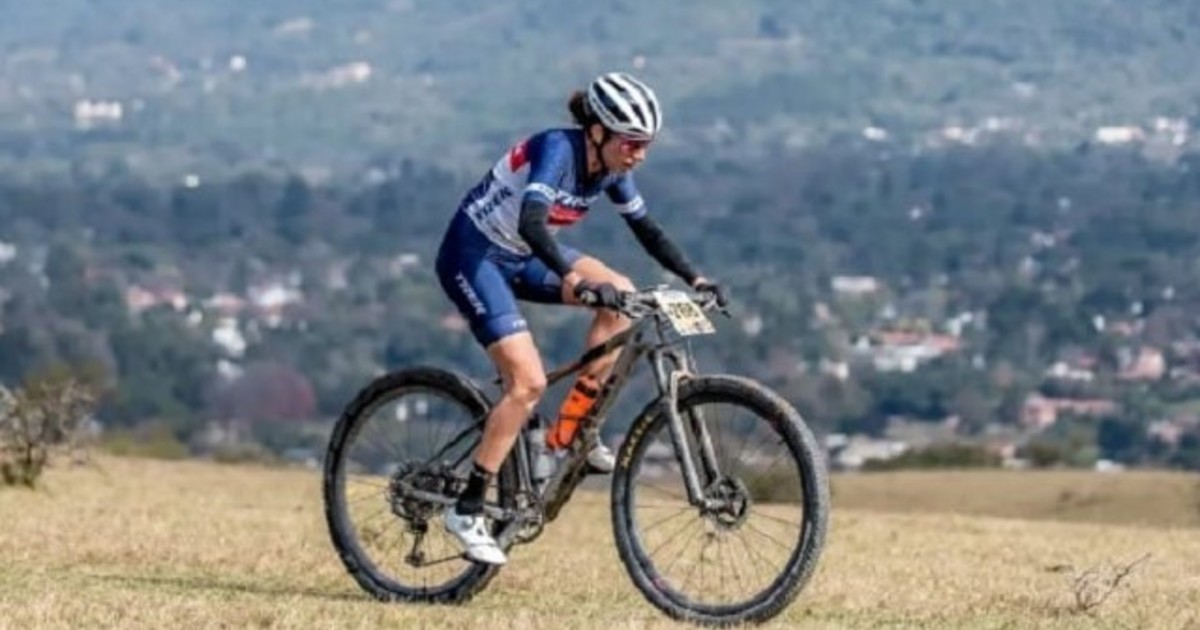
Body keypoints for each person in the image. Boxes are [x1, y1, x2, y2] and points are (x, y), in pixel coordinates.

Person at [434, 72, 728, 564]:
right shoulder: (557, 149)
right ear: (598, 131)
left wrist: (695, 279)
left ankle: (566, 436)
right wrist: (572, 277)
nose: (640, 155)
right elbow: (531, 223)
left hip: (524, 254)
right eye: (632, 143)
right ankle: (467, 508)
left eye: (646, 145)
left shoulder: (613, 169)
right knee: (526, 384)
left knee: (625, 300)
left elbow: (646, 229)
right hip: (475, 256)